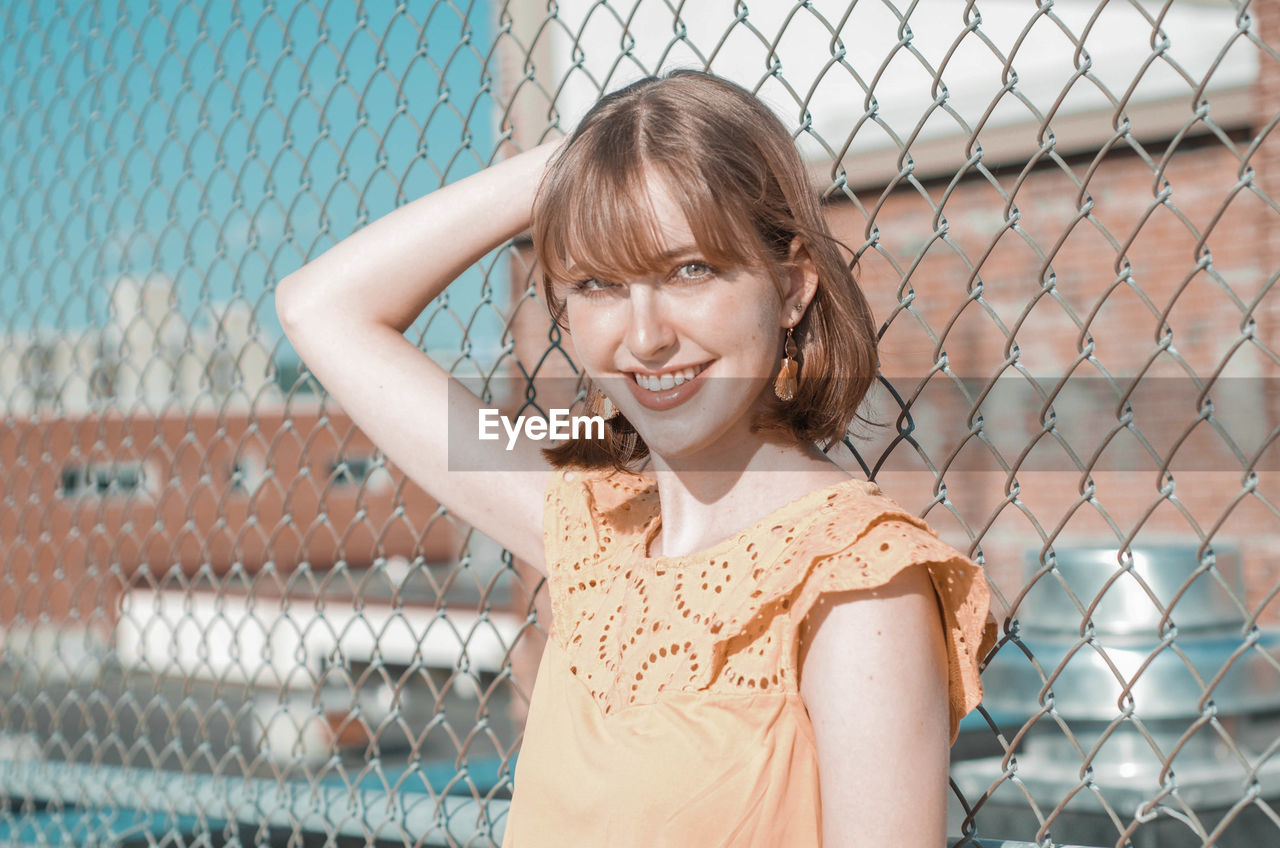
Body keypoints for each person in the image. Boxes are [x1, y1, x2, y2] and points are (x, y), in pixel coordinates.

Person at [276, 68, 998, 848]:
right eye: (598, 283)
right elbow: (321, 308)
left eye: (692, 270)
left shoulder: (857, 581)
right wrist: (582, 161)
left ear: (791, 288)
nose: (644, 336)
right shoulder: (590, 524)